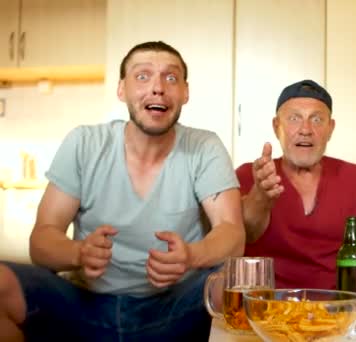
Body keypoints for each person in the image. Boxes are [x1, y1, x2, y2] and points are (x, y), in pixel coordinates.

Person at [0, 41, 245, 341]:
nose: (158, 87)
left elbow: (232, 233)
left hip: (174, 308)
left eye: (171, 77)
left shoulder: (204, 147)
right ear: (121, 90)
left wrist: (191, 256)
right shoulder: (84, 143)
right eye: (143, 76)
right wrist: (78, 253)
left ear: (185, 92)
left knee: (232, 282)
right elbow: (41, 240)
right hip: (84, 305)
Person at [236, 79, 356, 311]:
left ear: (330, 128)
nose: (306, 129)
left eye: (317, 119)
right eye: (294, 118)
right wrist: (260, 195)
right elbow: (242, 237)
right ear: (276, 125)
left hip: (340, 309)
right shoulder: (249, 175)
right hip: (268, 307)